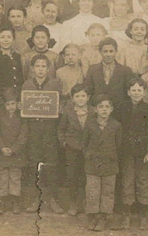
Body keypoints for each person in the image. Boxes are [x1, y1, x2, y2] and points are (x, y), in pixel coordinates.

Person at [22, 55, 64, 214]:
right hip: (33, 129)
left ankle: (52, 198)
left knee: (51, 163)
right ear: (32, 68)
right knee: (33, 162)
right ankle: (35, 199)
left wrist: (58, 108)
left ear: (48, 69)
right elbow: (26, 106)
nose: (40, 69)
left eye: (43, 66)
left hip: (50, 129)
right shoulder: (27, 84)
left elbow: (58, 104)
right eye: (37, 66)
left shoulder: (54, 84)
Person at [113, 78, 148, 231]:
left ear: (144, 92)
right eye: (133, 90)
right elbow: (116, 128)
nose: (136, 93)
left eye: (139, 90)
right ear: (128, 92)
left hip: (143, 152)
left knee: (143, 180)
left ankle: (144, 214)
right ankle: (127, 213)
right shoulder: (122, 108)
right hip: (126, 151)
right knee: (127, 181)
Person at [83, 94, 122, 231]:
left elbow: (118, 145)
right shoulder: (89, 124)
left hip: (109, 163)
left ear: (111, 109)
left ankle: (104, 217)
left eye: (107, 107)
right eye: (101, 107)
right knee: (92, 190)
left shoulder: (116, 126)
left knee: (107, 191)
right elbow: (85, 143)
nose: (104, 110)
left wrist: (110, 156)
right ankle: (93, 216)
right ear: (95, 109)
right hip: (93, 163)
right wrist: (89, 155)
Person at [58, 84, 96, 216]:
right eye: (77, 96)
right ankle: (73, 204)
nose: (80, 99)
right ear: (72, 98)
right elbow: (61, 130)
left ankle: (85, 203)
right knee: (72, 176)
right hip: (72, 149)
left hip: (88, 149)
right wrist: (64, 142)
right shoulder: (68, 112)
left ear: (88, 97)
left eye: (83, 96)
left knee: (87, 176)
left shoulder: (93, 112)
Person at [0, 87, 28, 215]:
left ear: (17, 103)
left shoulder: (22, 116)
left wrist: (14, 149)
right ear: (4, 104)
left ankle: (15, 202)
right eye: (8, 104)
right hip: (2, 152)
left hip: (16, 153)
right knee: (2, 178)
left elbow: (23, 135)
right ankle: (1, 203)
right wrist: (2, 147)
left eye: (13, 104)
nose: (11, 107)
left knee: (15, 177)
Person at [84, 37, 135, 122]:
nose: (108, 54)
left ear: (116, 52)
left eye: (111, 51)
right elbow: (88, 90)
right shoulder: (92, 69)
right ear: (100, 52)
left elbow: (128, 94)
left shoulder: (125, 71)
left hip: (120, 113)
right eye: (105, 51)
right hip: (98, 113)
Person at [56, 43, 84, 109]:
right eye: (67, 55)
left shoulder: (83, 70)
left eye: (73, 54)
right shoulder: (59, 72)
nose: (70, 57)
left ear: (79, 55)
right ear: (63, 56)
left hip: (81, 103)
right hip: (65, 104)